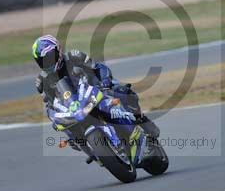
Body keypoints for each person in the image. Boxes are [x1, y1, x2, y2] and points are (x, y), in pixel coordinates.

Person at [32, 34, 160, 138]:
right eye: (42, 60)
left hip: (96, 88)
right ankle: (87, 145)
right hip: (74, 107)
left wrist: (104, 81)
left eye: (49, 57)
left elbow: (98, 67)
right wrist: (54, 118)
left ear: (58, 51)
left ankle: (141, 120)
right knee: (65, 129)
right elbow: (49, 104)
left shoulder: (74, 56)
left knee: (122, 91)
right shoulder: (42, 81)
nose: (47, 62)